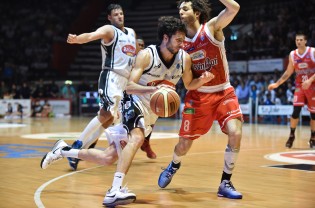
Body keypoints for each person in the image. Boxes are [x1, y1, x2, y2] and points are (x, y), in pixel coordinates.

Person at [40, 16, 213, 207]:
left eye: (183, 40)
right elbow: (129, 86)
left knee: (109, 157)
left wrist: (202, 80)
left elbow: (189, 84)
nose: (182, 44)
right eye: (178, 40)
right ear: (166, 38)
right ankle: (114, 190)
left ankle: (63, 150)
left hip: (150, 112)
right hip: (133, 101)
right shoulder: (147, 55)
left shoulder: (184, 59)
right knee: (137, 138)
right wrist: (154, 90)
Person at [158, 0, 243, 200]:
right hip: (198, 96)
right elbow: (188, 84)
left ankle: (225, 182)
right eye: (179, 8)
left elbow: (234, 8)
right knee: (183, 146)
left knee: (235, 132)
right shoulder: (182, 47)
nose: (180, 11)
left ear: (196, 13)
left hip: (223, 91)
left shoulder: (212, 28)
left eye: (185, 8)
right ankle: (174, 165)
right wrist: (200, 80)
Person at [64, 3, 137, 170]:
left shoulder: (132, 32)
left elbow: (135, 55)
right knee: (105, 114)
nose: (120, 16)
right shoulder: (109, 30)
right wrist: (76, 40)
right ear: (109, 18)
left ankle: (81, 151)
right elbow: (91, 35)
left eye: (121, 13)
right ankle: (77, 145)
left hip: (124, 81)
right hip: (110, 76)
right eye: (116, 14)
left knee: (110, 118)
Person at [268, 32, 315, 148]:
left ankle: (313, 136)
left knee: (313, 115)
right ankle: (291, 135)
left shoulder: (312, 52)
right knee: (295, 112)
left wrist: (309, 81)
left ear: (305, 41)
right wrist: (277, 84)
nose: (298, 42)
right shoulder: (293, 55)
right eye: (296, 40)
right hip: (299, 86)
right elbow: (288, 72)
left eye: (300, 40)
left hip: (312, 86)